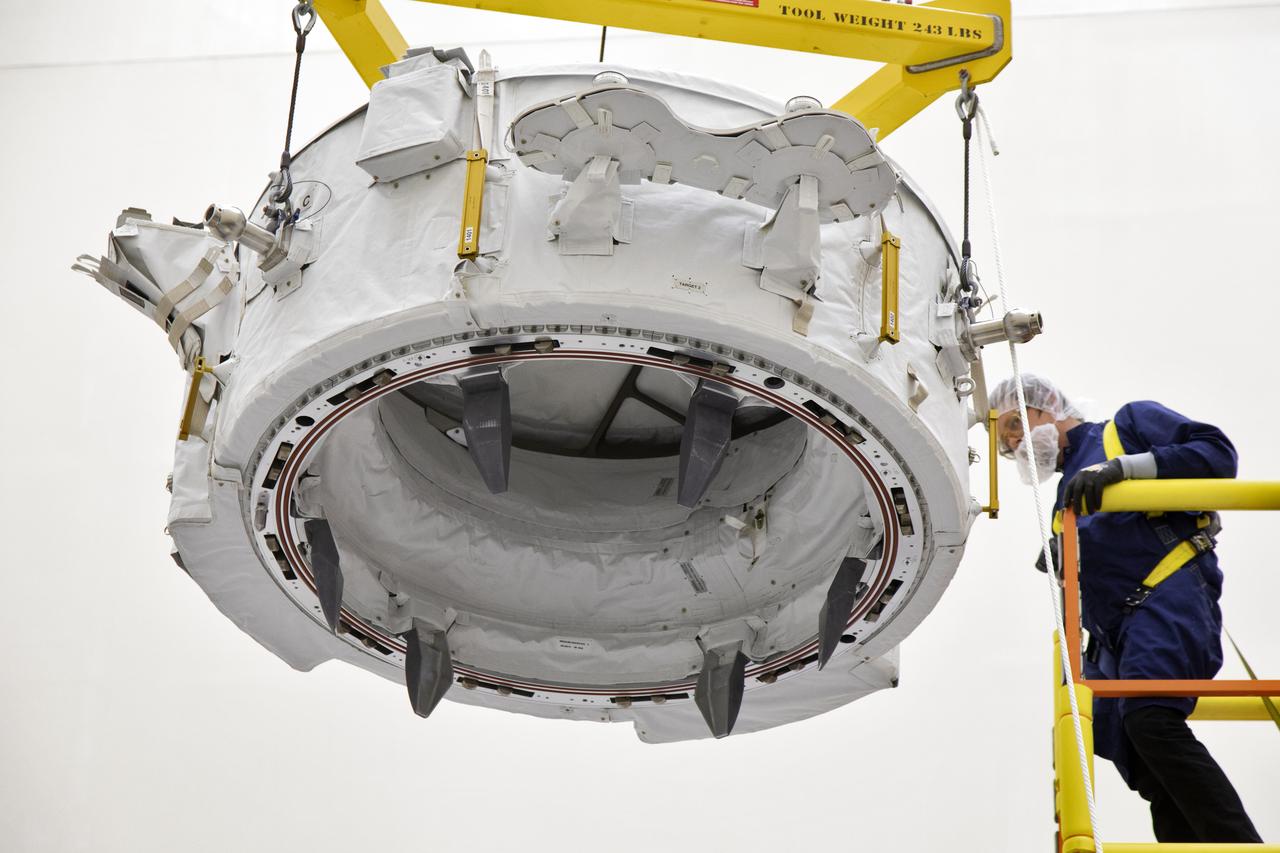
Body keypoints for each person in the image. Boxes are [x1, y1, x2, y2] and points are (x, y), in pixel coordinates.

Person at [989, 374, 1262, 844]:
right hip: (1113, 636)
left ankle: (1238, 844)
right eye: (1005, 441)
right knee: (1143, 761)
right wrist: (1062, 548)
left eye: (1015, 423)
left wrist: (1129, 468)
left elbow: (1217, 455)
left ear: (1048, 404)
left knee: (1151, 719)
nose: (1015, 441)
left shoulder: (1125, 429)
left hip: (1166, 597)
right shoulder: (1064, 499)